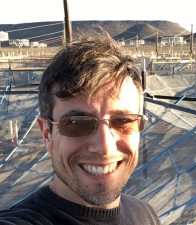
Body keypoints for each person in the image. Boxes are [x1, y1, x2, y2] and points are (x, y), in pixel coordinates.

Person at [0, 28, 161, 225]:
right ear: (47, 135)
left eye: (123, 121)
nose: (104, 147)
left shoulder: (145, 215)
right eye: (77, 123)